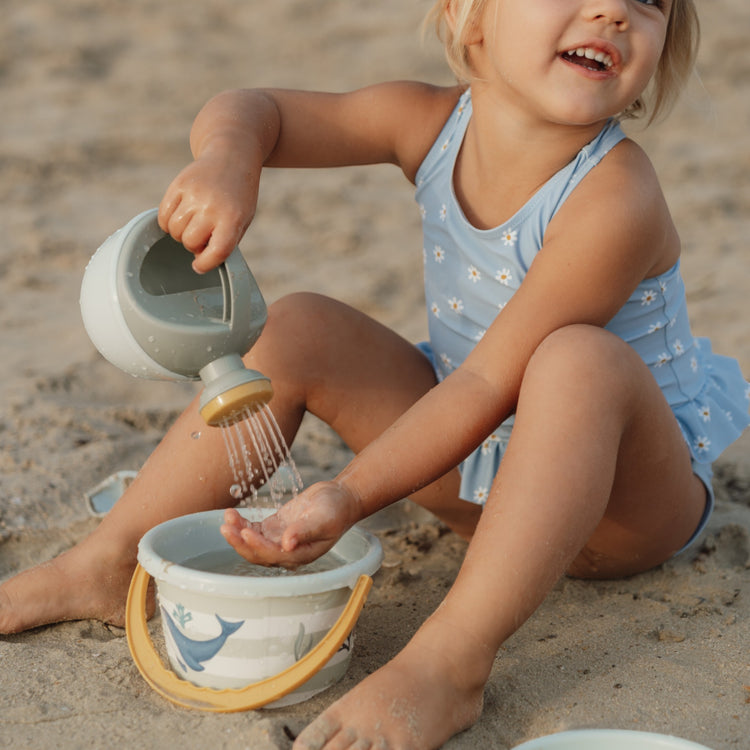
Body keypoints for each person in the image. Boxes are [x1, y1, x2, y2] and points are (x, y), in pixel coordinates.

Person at [2, 0, 749, 747]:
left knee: (577, 359)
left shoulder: (617, 197)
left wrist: (347, 493)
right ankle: (110, 561)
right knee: (300, 325)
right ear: (470, 15)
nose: (612, 10)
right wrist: (229, 159)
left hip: (627, 508)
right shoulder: (425, 122)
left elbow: (490, 383)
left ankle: (450, 663)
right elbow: (253, 108)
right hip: (477, 477)